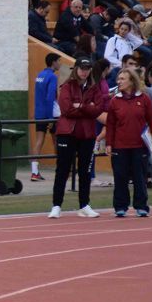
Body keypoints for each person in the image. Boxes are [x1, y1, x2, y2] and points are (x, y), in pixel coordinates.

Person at [49, 58, 104, 218]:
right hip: (67, 133)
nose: (84, 71)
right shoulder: (67, 86)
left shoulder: (94, 88)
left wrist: (80, 106)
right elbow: (66, 110)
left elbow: (98, 109)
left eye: (87, 68)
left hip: (86, 134)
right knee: (63, 170)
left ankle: (84, 205)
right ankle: (56, 205)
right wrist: (88, 108)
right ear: (76, 69)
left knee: (85, 171)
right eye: (81, 68)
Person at [105, 67, 152, 216]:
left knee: (140, 177)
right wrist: (109, 143)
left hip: (139, 146)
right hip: (119, 146)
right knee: (120, 177)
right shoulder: (115, 101)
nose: (118, 81)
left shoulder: (144, 98)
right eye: (118, 79)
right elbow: (110, 124)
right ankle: (120, 207)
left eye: (122, 79)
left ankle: (141, 206)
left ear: (131, 81)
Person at [32, 53, 62, 181]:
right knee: (57, 142)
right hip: (51, 114)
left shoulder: (39, 75)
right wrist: (50, 118)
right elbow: (50, 98)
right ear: (53, 62)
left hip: (39, 113)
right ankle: (60, 169)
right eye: (59, 61)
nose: (60, 64)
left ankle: (34, 172)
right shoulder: (52, 77)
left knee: (39, 141)